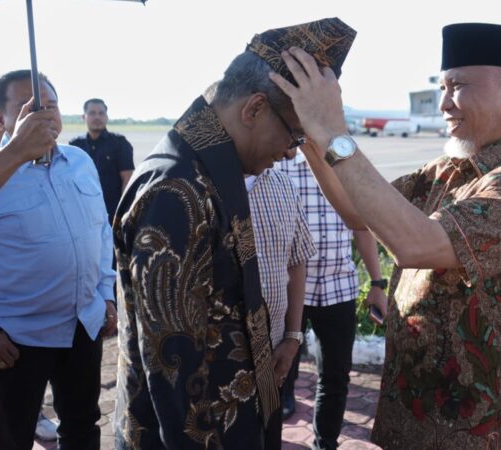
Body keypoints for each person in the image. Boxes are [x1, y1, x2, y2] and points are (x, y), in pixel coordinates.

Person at [269, 22, 501, 450]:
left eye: (458, 86)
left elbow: (416, 245)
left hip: (469, 432)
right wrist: (313, 137)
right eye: (442, 87)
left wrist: (334, 130)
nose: (444, 103)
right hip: (410, 414)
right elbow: (359, 210)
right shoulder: (446, 169)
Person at [112, 18, 356, 449]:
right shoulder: (176, 192)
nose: (289, 155)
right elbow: (175, 380)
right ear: (254, 109)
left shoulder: (213, 171)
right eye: (295, 135)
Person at [0, 69, 116, 450]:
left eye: (51, 106)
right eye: (29, 107)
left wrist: (106, 293)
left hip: (82, 326)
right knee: (11, 437)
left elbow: (101, 232)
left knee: (83, 429)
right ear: (0, 120)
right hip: (16, 339)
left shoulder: (80, 161)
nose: (44, 114)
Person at [278, 150, 387, 450]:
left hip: (339, 288)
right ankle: (272, 432)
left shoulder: (347, 165)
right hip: (290, 289)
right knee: (280, 368)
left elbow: (361, 226)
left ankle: (325, 443)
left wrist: (377, 283)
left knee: (336, 377)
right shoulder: (278, 162)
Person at [243, 160, 316, 449]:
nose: (290, 149)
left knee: (269, 436)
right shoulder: (204, 183)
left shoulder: (284, 184)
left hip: (272, 357)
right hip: (218, 363)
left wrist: (292, 337)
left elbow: (297, 261)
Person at [69, 98, 134, 223]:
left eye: (101, 113)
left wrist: (124, 212)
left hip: (111, 213)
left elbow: (127, 179)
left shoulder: (120, 143)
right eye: (92, 113)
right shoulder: (75, 145)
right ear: (84, 117)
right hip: (83, 211)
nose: (97, 117)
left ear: (106, 116)